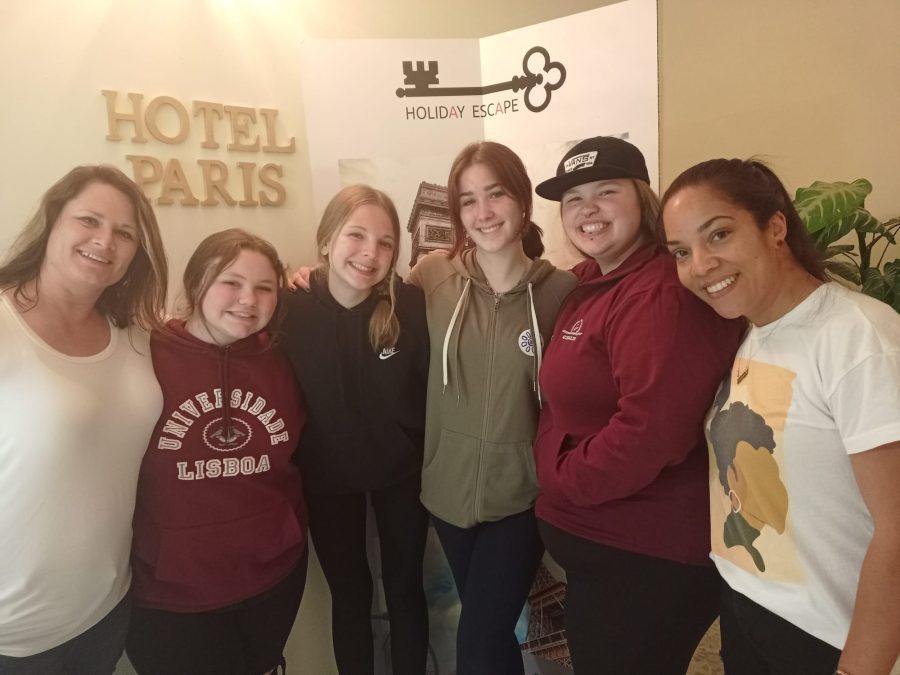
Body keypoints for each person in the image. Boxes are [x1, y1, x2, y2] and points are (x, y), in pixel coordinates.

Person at [661, 158, 900, 675]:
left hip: (828, 636)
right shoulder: (754, 332)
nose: (700, 265)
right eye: (681, 251)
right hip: (749, 607)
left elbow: (897, 527)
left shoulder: (857, 336)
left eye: (719, 235)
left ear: (775, 227)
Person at [531, 136, 744, 674]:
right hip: (608, 554)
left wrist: (562, 478)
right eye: (574, 199)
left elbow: (650, 432)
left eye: (606, 192)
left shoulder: (657, 294)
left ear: (644, 200)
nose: (588, 209)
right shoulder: (592, 280)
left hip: (646, 558)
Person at [410, 141, 576, 675]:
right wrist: (310, 280)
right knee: (494, 635)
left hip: (520, 498)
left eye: (496, 194)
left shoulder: (562, 292)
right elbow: (368, 305)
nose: (483, 212)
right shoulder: (432, 277)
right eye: (468, 200)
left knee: (477, 645)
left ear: (522, 200)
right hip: (447, 492)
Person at [0, 165, 168, 674]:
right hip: (12, 635)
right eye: (89, 220)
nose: (104, 241)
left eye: (124, 233)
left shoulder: (135, 335)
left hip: (105, 613)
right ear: (52, 220)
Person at [125, 229, 307, 675]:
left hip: (272, 577)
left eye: (264, 288)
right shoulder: (141, 352)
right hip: (171, 594)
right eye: (231, 282)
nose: (248, 300)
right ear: (195, 283)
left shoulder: (287, 355)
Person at [281, 185, 431, 675]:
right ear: (326, 240)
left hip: (402, 474)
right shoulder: (289, 307)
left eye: (385, 242)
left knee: (405, 587)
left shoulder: (410, 306)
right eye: (356, 235)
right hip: (326, 480)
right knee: (350, 594)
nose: (370, 252)